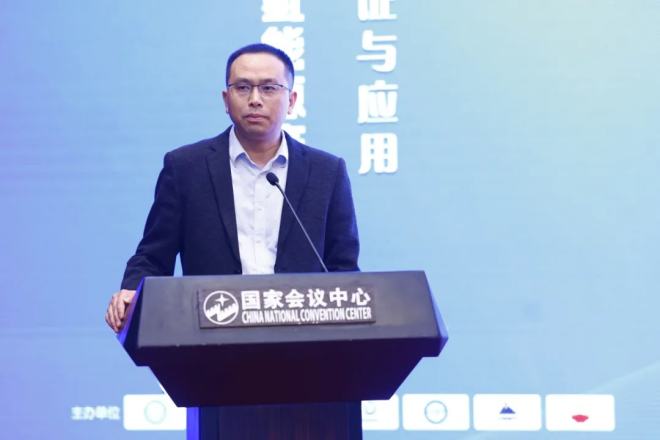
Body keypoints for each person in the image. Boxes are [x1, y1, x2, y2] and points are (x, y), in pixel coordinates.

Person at [105, 43, 360, 332]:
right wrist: (132, 290)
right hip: (211, 333)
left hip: (304, 339)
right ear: (226, 100)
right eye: (243, 88)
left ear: (291, 101)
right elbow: (153, 256)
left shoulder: (327, 172)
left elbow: (343, 270)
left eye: (269, 88)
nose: (255, 99)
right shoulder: (186, 167)